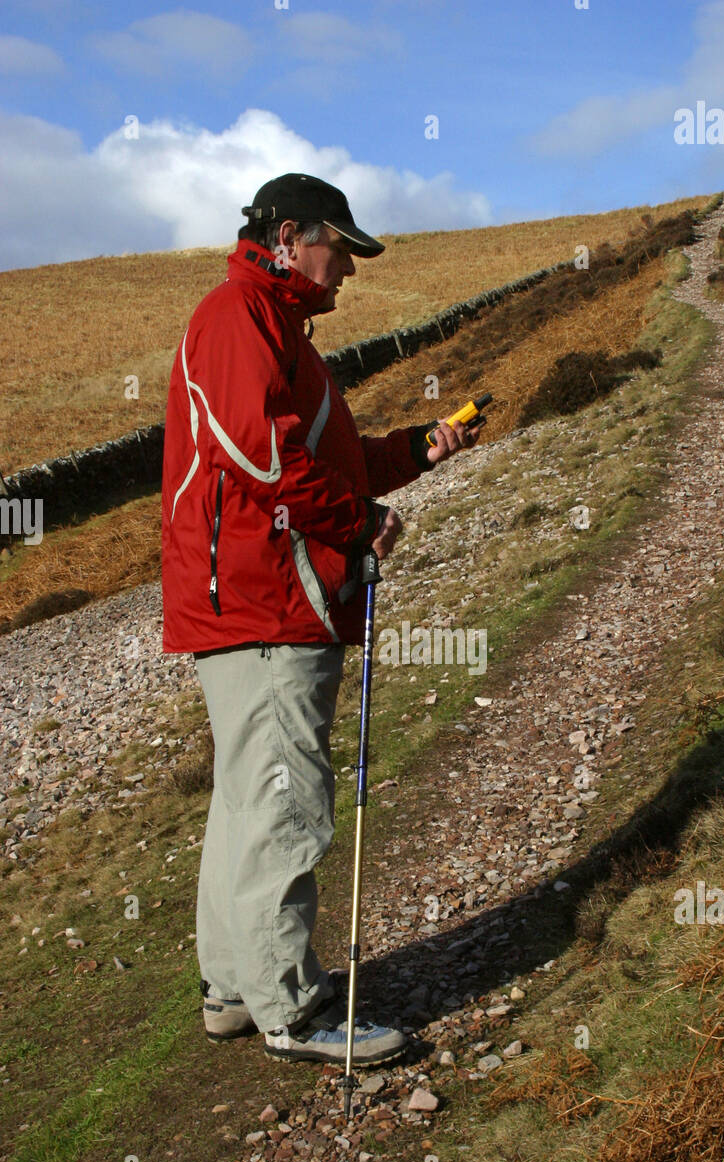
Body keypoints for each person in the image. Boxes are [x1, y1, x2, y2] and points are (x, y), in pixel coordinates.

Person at [161, 173, 480, 1067]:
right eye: (339, 249)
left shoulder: (280, 334)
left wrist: (414, 450)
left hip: (257, 602)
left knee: (245, 803)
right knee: (284, 804)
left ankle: (235, 987)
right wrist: (357, 523)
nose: (347, 270)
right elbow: (263, 460)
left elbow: (319, 461)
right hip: (268, 603)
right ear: (290, 236)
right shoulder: (236, 320)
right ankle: (291, 1013)